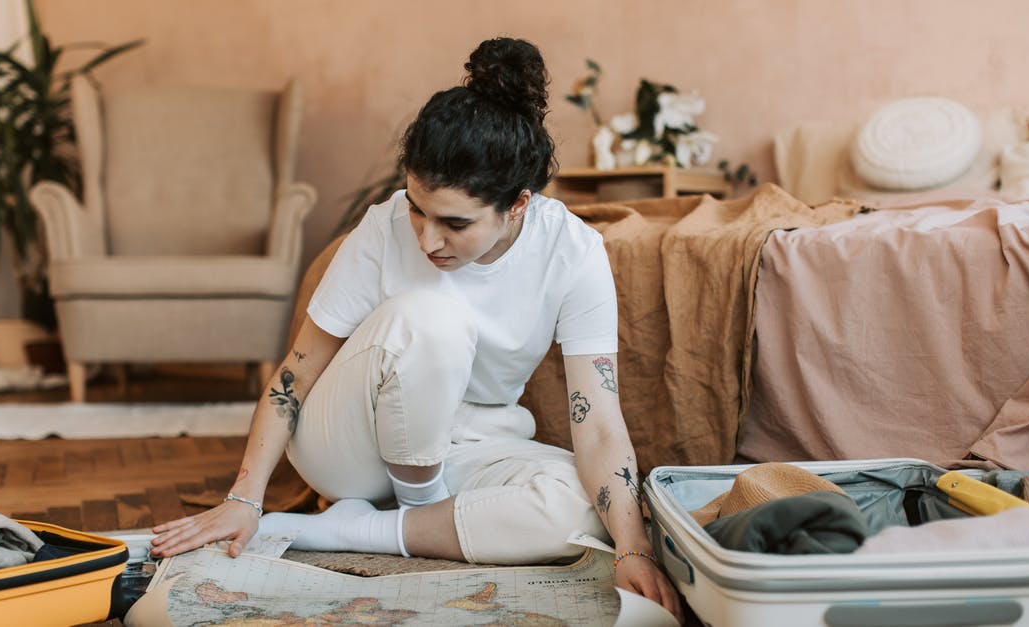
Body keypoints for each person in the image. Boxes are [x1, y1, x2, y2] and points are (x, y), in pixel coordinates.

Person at [151, 37, 682, 620]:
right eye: (417, 208)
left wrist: (632, 548)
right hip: (350, 445)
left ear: (519, 205)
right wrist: (243, 499)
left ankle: (363, 529)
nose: (428, 239)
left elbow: (600, 425)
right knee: (433, 314)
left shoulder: (574, 252)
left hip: (470, 443)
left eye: (455, 223)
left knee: (585, 508)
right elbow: (294, 376)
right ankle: (420, 512)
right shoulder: (382, 229)